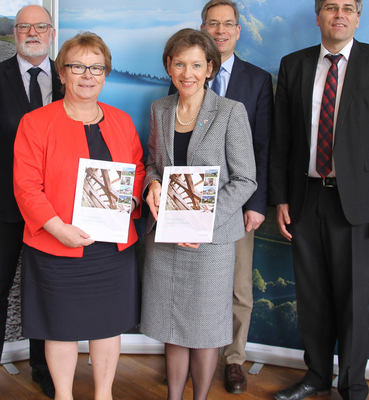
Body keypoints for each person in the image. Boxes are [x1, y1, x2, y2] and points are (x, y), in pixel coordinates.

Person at [269, 1, 369, 399]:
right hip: (306, 197)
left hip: (360, 205)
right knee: (311, 295)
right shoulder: (294, 65)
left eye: (349, 7)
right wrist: (280, 198)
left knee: (352, 300)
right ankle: (315, 376)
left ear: (358, 17)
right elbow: (282, 139)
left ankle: (352, 386)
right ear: (318, 16)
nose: (340, 14)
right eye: (331, 7)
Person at [13, 32, 145, 400]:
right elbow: (26, 187)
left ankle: (104, 394)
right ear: (62, 73)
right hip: (58, 246)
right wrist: (58, 229)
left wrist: (132, 203)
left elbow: (137, 171)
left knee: (107, 326)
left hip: (111, 247)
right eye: (78, 67)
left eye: (96, 68)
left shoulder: (121, 121)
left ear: (106, 74)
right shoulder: (36, 123)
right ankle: (64, 395)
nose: (88, 75)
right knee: (61, 327)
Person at [141, 28, 257, 400]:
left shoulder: (230, 112)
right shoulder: (159, 109)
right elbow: (153, 164)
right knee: (172, 326)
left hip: (210, 242)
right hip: (167, 237)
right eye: (179, 64)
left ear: (210, 67)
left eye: (196, 64)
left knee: (205, 330)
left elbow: (245, 180)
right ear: (169, 67)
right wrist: (151, 185)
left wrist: (202, 221)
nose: (186, 73)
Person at [0, 5, 61, 400]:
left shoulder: (69, 77)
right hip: (4, 208)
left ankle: (44, 367)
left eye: (41, 26)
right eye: (25, 27)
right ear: (15, 34)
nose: (33, 33)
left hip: (54, 212)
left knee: (46, 290)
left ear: (52, 33)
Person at [200, 1, 273, 392]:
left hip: (240, 201)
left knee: (238, 285)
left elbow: (263, 144)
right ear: (203, 27)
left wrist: (257, 204)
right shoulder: (189, 72)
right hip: (192, 201)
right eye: (213, 23)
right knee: (198, 280)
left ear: (238, 31)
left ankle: (233, 359)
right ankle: (198, 354)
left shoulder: (258, 80)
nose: (221, 31)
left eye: (228, 24)